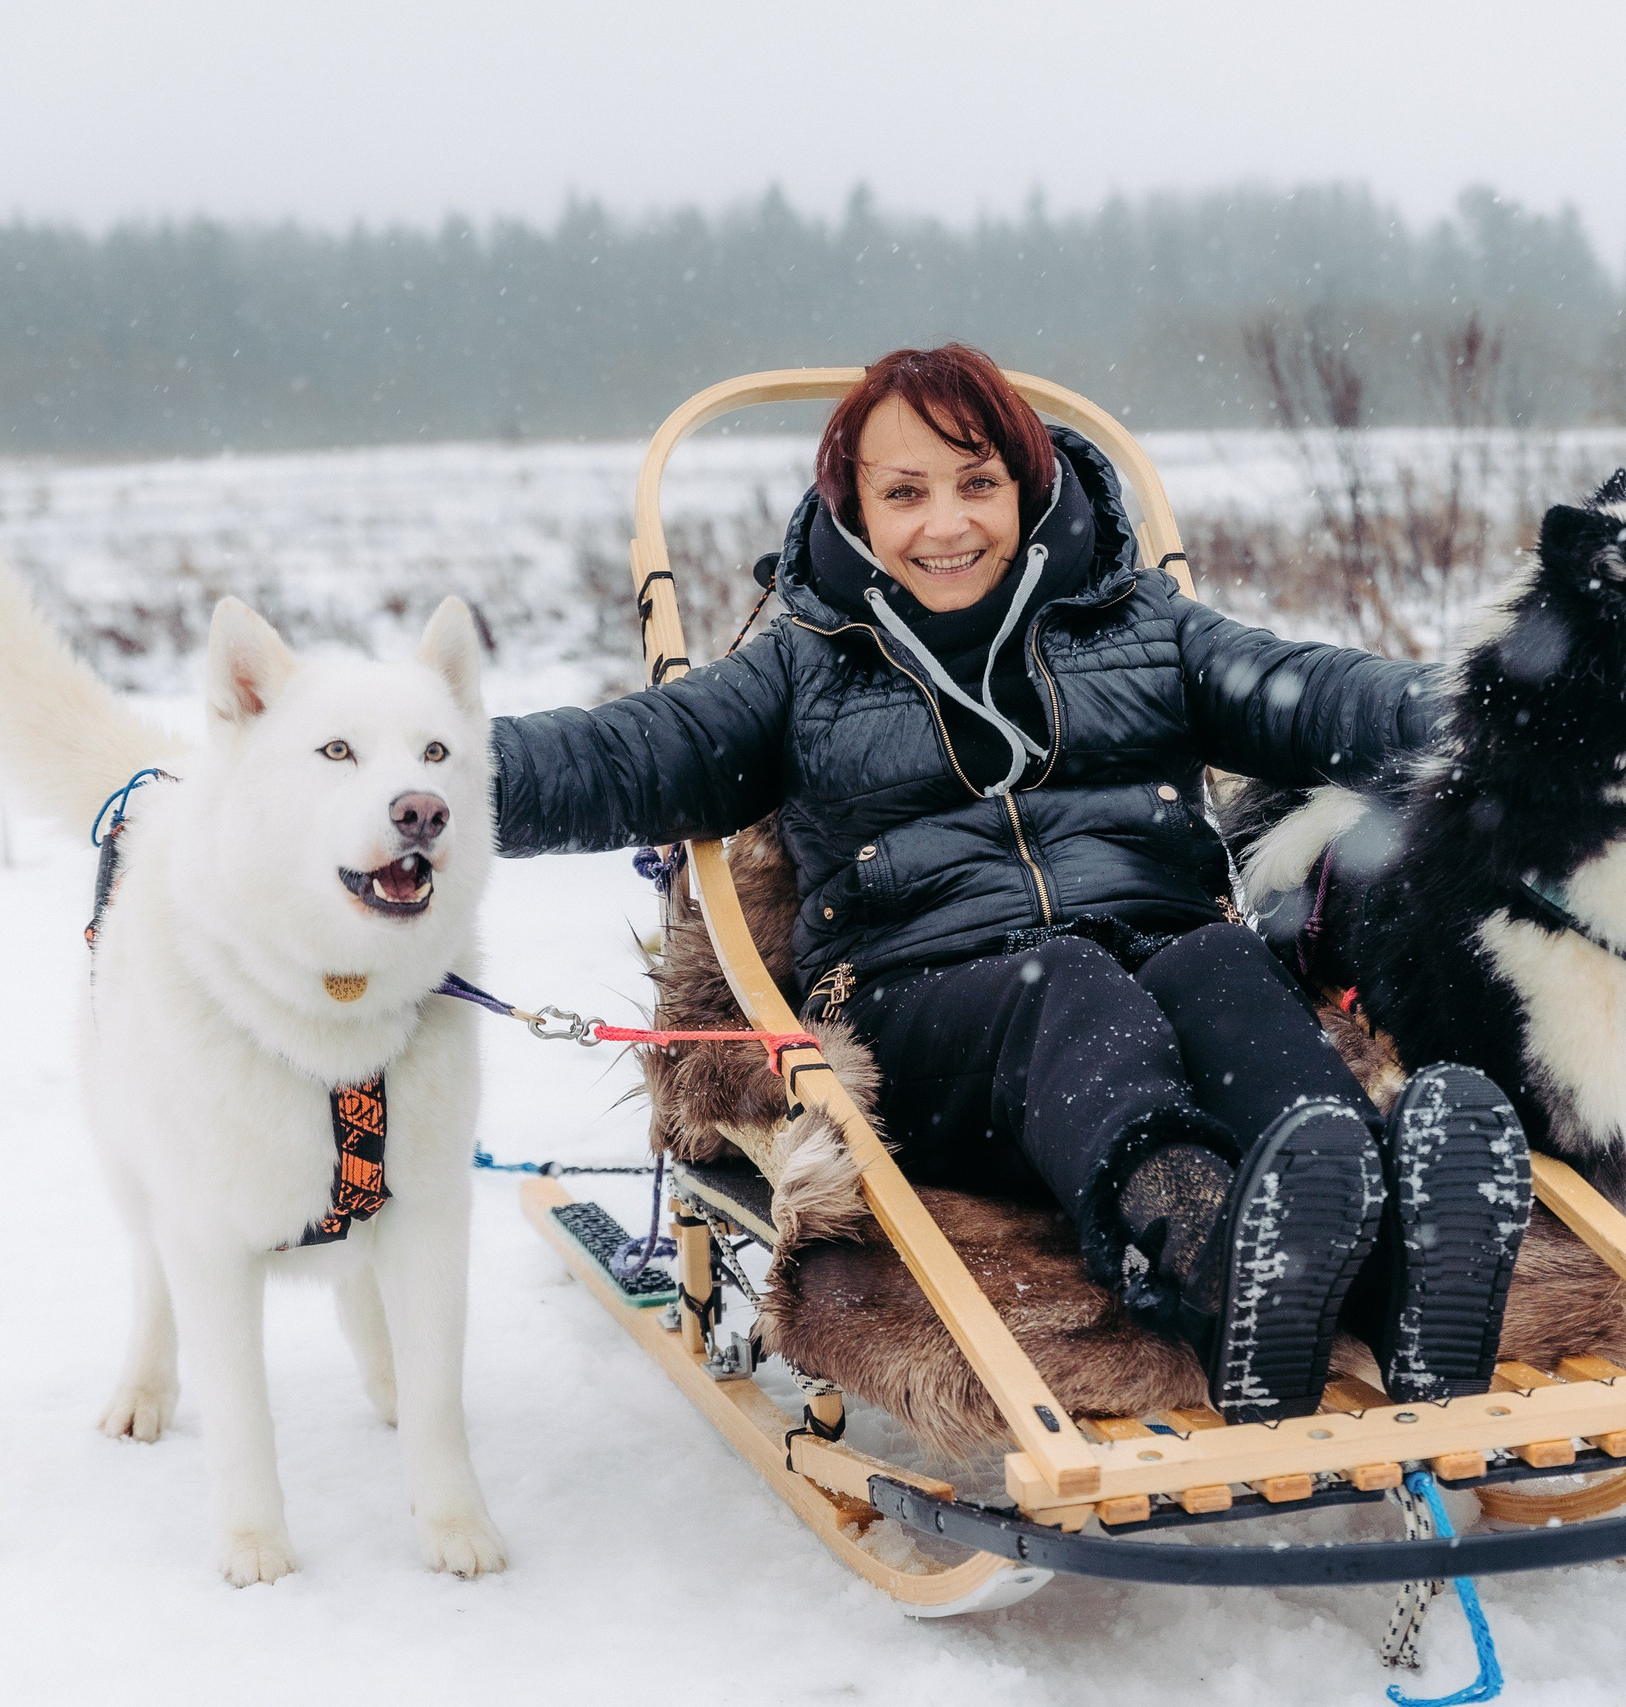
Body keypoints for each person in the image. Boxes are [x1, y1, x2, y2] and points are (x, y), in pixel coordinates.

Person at [489, 345, 1530, 1421]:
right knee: (1066, 982)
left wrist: (1509, 711)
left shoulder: (1145, 625)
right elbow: (614, 756)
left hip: (1158, 959)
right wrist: (430, 776)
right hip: (930, 1021)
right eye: (905, 492)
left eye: (977, 482)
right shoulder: (799, 668)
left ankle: (1390, 1265)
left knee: (1224, 963)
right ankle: (1205, 1249)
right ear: (854, 508)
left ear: (1027, 488)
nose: (946, 525)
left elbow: (1318, 693)